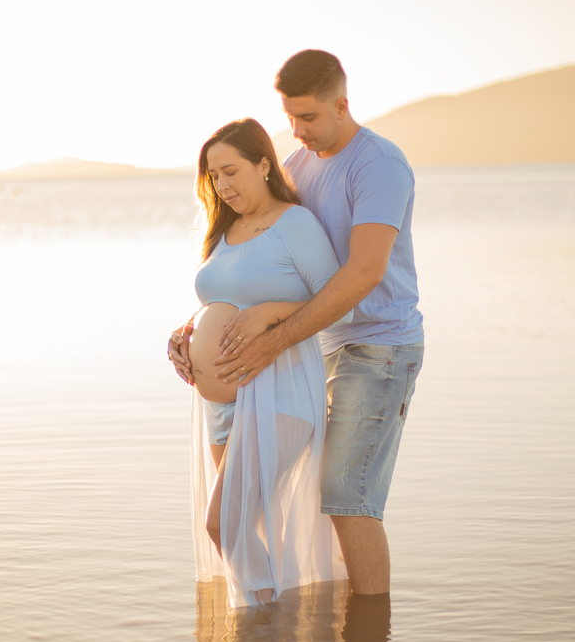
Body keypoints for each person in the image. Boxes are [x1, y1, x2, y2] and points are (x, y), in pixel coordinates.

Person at [170, 50, 424, 597]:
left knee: (347, 497)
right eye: (289, 117)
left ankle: (369, 636)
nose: (298, 131)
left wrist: (273, 334)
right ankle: (299, 620)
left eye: (308, 117)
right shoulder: (300, 167)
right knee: (292, 504)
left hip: (377, 345)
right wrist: (196, 329)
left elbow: (363, 273)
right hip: (314, 344)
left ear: (342, 105)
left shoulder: (378, 165)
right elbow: (265, 268)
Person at [171, 118, 350, 608]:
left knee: (223, 521)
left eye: (231, 171)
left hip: (280, 390)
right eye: (213, 176)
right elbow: (222, 302)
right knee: (242, 524)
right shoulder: (223, 231)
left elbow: (340, 305)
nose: (222, 185)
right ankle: (270, 629)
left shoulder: (295, 224)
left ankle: (266, 626)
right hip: (222, 404)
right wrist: (185, 334)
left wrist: (271, 313)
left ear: (264, 165)